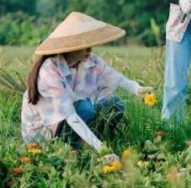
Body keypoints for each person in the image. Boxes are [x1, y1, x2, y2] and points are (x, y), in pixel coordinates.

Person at [21, 11, 153, 161]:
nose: (89, 48)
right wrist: (100, 148)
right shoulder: (49, 69)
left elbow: (114, 77)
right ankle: (72, 152)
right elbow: (69, 114)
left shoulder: (89, 60)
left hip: (74, 117)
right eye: (83, 44)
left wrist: (137, 89)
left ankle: (96, 142)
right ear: (70, 46)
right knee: (84, 107)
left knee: (114, 103)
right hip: (44, 132)